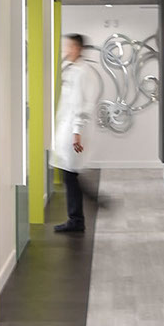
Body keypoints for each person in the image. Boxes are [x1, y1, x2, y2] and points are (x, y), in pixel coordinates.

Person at [53, 33, 99, 234]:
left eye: (70, 47)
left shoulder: (83, 72)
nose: (66, 51)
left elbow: (83, 104)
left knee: (70, 173)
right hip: (66, 128)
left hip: (74, 131)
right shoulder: (71, 70)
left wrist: (77, 130)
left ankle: (78, 218)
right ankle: (79, 215)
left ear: (78, 48)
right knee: (69, 173)